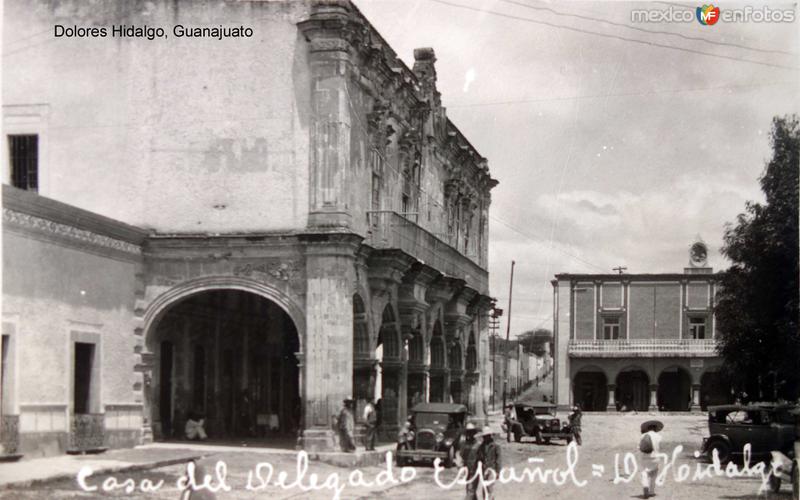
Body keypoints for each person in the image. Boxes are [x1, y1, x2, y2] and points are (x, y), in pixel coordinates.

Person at [639, 420, 664, 498]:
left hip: (644, 457)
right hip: (655, 458)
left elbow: (639, 447)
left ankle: (645, 486)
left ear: (647, 428)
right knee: (653, 474)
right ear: (655, 428)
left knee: (644, 473)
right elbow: (660, 448)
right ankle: (651, 491)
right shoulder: (659, 436)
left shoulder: (643, 436)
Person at [476, 426, 501, 500]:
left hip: (492, 470)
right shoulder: (481, 447)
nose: (485, 438)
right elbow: (479, 458)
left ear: (490, 436)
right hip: (484, 470)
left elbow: (498, 460)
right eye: (484, 436)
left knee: (490, 488)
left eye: (487, 436)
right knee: (484, 489)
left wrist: (498, 471)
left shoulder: (496, 446)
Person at [459, 422, 481, 500]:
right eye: (468, 432)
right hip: (467, 469)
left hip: (475, 470)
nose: (470, 434)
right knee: (469, 489)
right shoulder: (463, 444)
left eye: (472, 432)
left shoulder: (478, 444)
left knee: (471, 490)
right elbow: (461, 455)